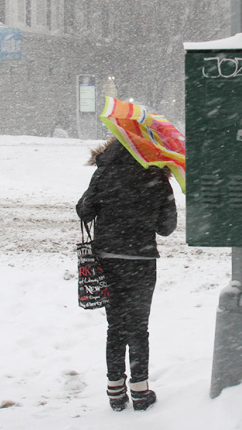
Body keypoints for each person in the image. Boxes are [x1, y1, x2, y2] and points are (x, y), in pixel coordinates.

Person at [76, 137, 177, 411]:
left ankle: (115, 391)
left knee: (115, 327)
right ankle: (140, 391)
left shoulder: (105, 170)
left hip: (108, 259)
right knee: (138, 327)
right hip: (141, 260)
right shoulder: (156, 174)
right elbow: (167, 227)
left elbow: (83, 210)